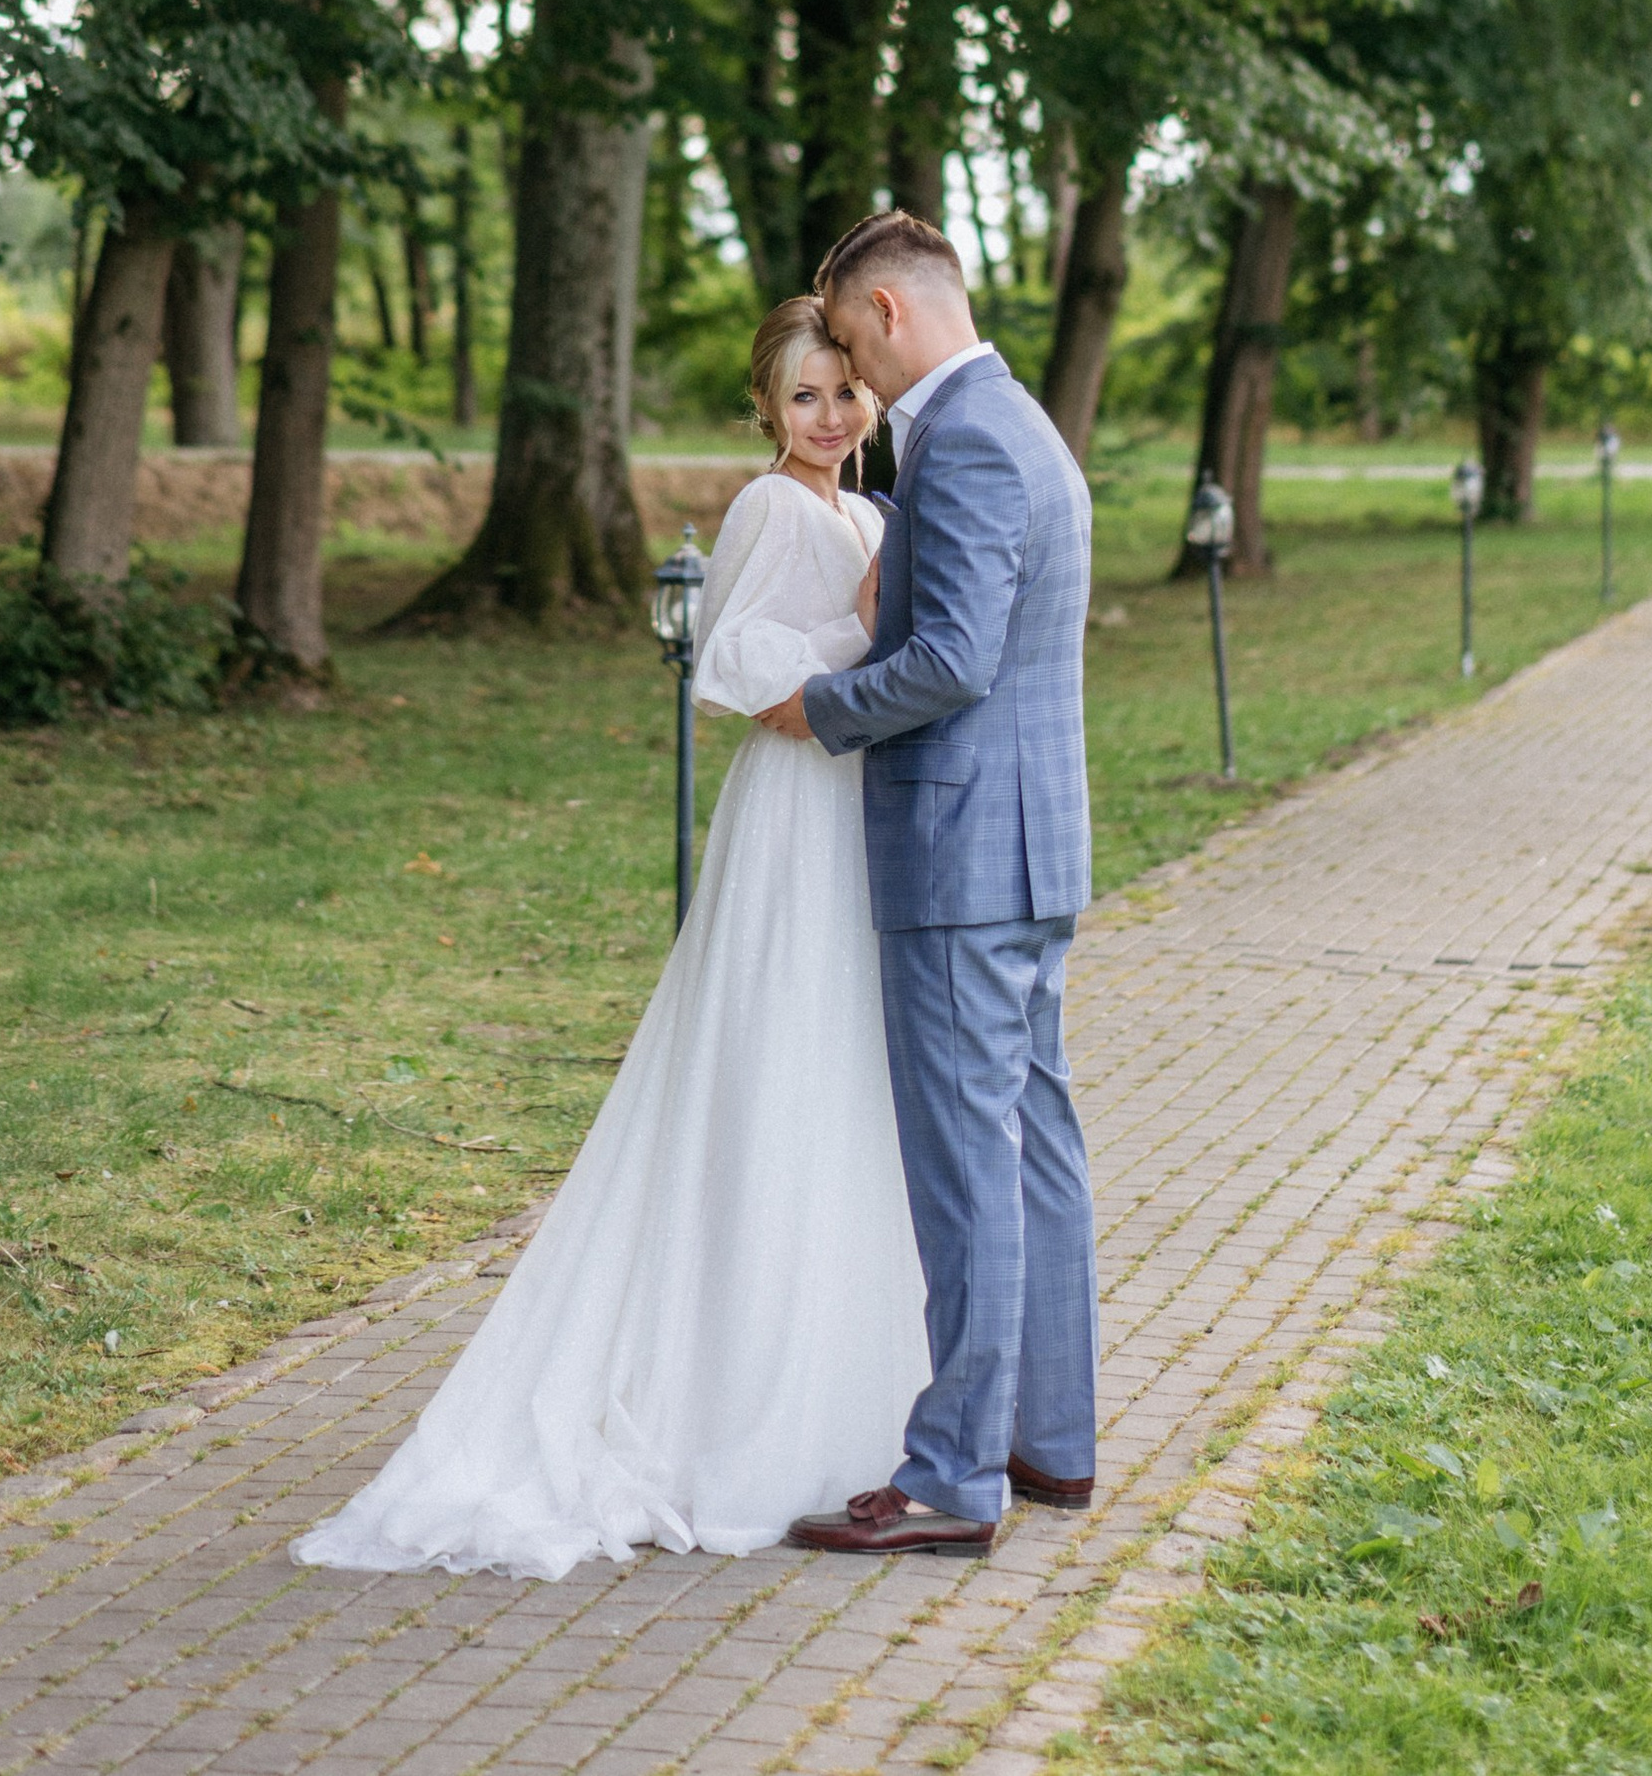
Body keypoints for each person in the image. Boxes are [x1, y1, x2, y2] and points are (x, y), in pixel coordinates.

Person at [292, 299, 928, 1581]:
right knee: (777, 1070)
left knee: (848, 1082)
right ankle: (731, 1402)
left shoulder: (872, 512)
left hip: (860, 804)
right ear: (768, 411)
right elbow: (730, 658)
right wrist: (858, 624)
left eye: (843, 394)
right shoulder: (769, 511)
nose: (828, 417)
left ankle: (850, 1385)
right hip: (794, 809)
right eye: (802, 398)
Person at [761, 210, 1097, 1558]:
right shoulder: (1031, 425)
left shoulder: (955, 440)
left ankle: (955, 1473)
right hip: (1032, 845)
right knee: (1038, 1151)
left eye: (848, 344)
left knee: (966, 1171)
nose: (852, 377)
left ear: (889, 315)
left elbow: (953, 658)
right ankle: (1050, 1445)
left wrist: (820, 708)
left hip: (960, 857)